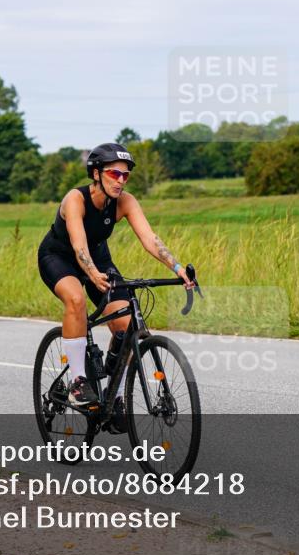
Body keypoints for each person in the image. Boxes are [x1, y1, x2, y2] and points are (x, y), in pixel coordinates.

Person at [36, 142, 194, 423]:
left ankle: (116, 395)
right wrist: (91, 272)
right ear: (96, 173)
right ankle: (78, 381)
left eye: (125, 175)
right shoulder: (75, 199)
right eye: (114, 174)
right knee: (76, 300)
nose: (120, 181)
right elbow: (78, 243)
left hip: (98, 257)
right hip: (59, 256)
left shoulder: (125, 201)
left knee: (126, 325)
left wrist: (178, 267)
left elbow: (150, 239)